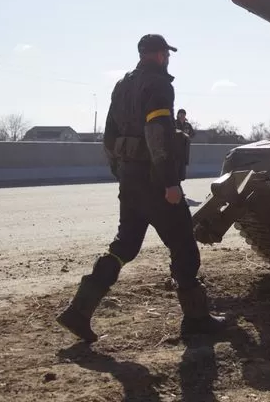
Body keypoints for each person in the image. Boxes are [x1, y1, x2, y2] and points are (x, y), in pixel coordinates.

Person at [56, 34, 226, 343]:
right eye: (166, 54)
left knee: (124, 247)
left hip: (131, 180)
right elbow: (156, 134)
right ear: (161, 55)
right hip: (155, 182)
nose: (167, 59)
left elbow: (109, 138)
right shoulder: (159, 85)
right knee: (184, 246)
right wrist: (169, 183)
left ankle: (79, 311)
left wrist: (121, 173)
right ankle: (197, 319)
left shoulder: (122, 86)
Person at [175, 109, 195, 181]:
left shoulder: (187, 125)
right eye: (180, 114)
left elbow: (192, 134)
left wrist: (187, 135)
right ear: (177, 115)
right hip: (175, 151)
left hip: (184, 151)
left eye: (183, 115)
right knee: (175, 172)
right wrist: (180, 133)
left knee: (182, 174)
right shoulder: (174, 123)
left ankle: (179, 185)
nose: (182, 116)